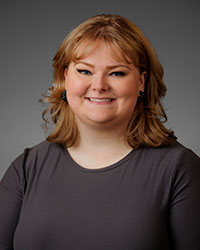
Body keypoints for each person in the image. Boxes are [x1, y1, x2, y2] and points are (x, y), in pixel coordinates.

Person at [0, 14, 200, 250]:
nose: (99, 85)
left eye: (117, 73)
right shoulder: (26, 168)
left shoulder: (180, 169)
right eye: (85, 71)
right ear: (66, 77)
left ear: (141, 83)